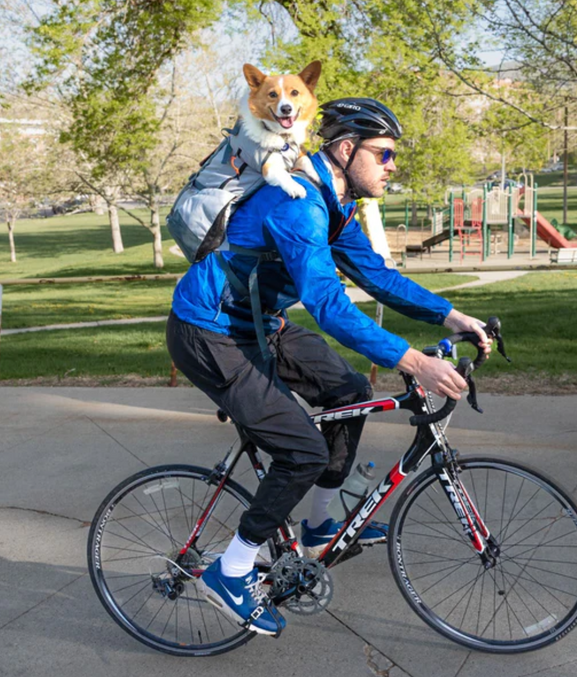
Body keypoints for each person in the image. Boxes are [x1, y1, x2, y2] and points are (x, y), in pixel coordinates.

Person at [166, 97, 490, 635]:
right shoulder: (299, 205)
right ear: (346, 150)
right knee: (302, 450)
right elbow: (328, 306)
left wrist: (452, 316)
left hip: (258, 325)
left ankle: (319, 528)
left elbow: (376, 275)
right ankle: (232, 569)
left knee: (349, 393)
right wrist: (412, 360)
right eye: (384, 155)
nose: (393, 165)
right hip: (208, 333)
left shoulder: (333, 201)